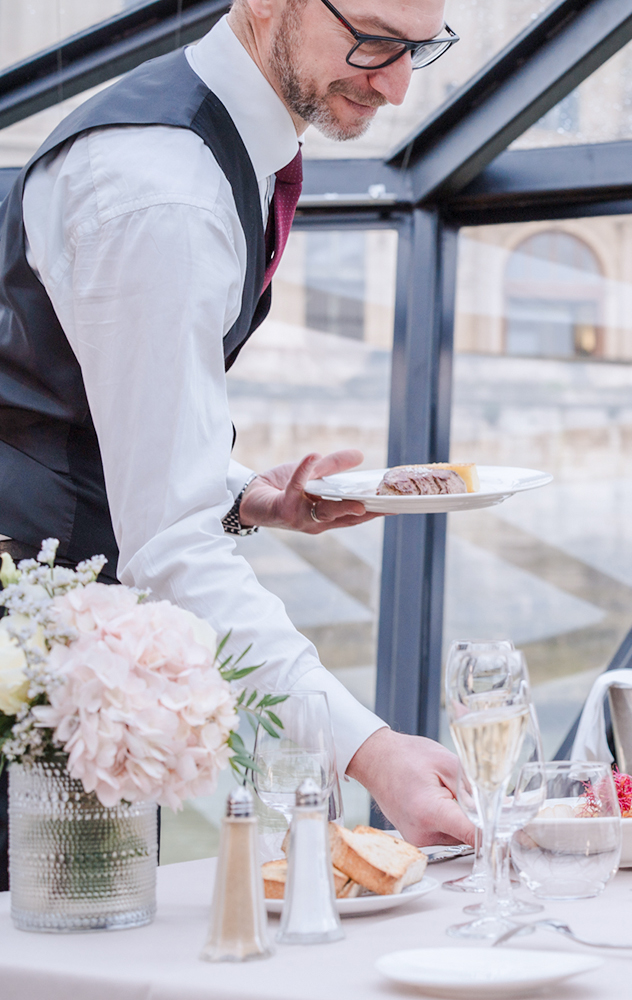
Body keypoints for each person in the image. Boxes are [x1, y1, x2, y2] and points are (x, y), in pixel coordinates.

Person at [0, 0, 473, 856]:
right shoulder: (164, 191)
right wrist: (370, 752)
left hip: (67, 639)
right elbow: (170, 543)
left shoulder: (211, 151)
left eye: (420, 49)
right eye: (372, 39)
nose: (398, 86)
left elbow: (88, 417)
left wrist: (249, 497)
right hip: (30, 664)